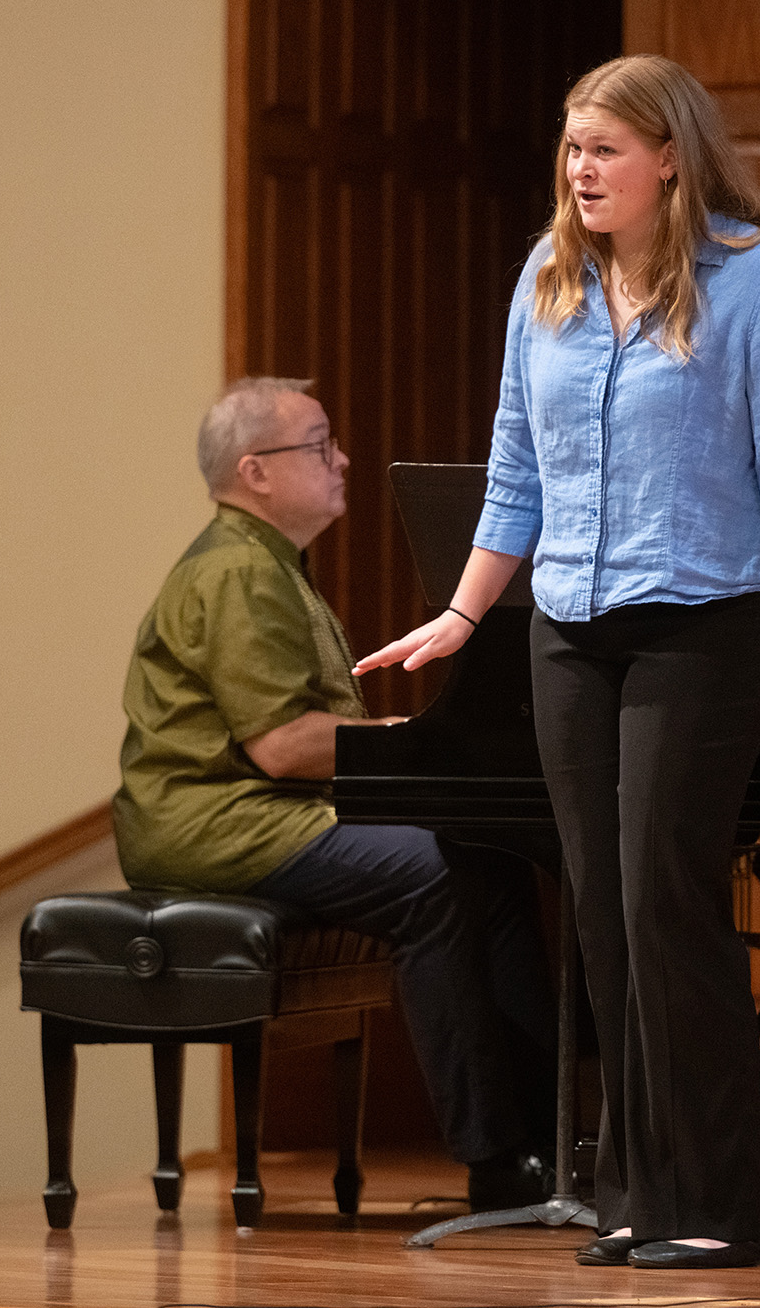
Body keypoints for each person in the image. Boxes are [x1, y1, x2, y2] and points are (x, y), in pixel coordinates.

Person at [354, 55, 760, 1269]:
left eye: (602, 149)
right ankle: (638, 1193)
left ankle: (715, 1204)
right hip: (567, 626)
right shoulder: (547, 282)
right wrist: (460, 613)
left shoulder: (757, 281)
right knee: (597, 904)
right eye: (571, 148)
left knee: (664, 893)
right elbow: (514, 471)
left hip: (708, 621)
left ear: (668, 158)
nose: (580, 170)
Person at [112, 376, 556, 1211]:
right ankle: (497, 1156)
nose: (343, 458)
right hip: (215, 824)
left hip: (264, 813)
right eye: (320, 445)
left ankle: (554, 1137)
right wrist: (411, 741)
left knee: (483, 854)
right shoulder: (239, 571)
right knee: (435, 871)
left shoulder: (265, 563)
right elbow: (282, 747)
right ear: (257, 472)